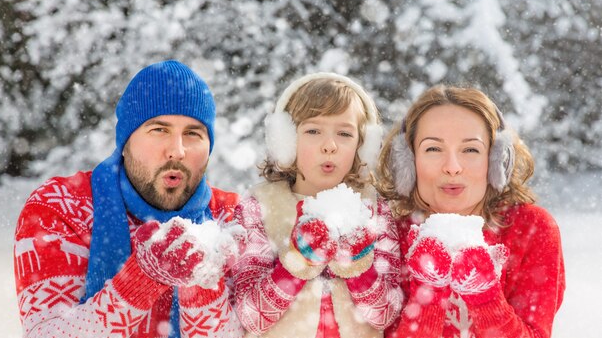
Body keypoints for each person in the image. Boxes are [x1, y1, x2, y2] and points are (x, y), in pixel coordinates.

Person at [14, 60, 244, 338]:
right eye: (159, 130)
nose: (177, 150)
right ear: (126, 143)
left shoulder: (232, 217)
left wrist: (201, 286)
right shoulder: (61, 207)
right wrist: (142, 278)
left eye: (193, 133)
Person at [377, 85, 565, 338]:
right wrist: (428, 297)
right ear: (407, 162)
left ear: (497, 160)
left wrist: (484, 296)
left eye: (470, 150)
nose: (452, 167)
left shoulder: (532, 228)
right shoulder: (387, 232)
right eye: (433, 149)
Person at [232, 72, 404, 338]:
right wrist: (297, 263)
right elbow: (250, 316)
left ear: (363, 146)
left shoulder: (374, 210)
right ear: (286, 139)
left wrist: (358, 268)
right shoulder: (260, 207)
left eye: (345, 133)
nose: (330, 146)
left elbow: (385, 314)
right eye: (313, 131)